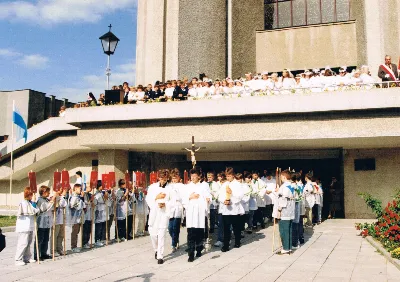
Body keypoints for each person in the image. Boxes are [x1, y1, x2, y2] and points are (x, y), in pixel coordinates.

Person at [183, 167, 210, 262]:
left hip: (200, 212)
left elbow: (208, 195)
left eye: (195, 176)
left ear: (199, 176)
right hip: (191, 212)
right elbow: (183, 199)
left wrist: (208, 199)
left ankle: (199, 249)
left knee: (199, 232)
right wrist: (190, 197)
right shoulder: (187, 186)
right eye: (192, 176)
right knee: (190, 233)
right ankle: (190, 253)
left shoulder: (204, 186)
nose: (193, 178)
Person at [146, 169, 172, 264]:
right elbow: (148, 199)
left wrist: (165, 204)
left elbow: (173, 200)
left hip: (164, 213)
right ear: (158, 178)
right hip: (154, 213)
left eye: (165, 179)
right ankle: (156, 249)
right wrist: (156, 198)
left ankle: (160, 256)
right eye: (161, 179)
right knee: (153, 234)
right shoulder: (152, 187)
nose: (163, 181)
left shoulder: (170, 188)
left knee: (161, 235)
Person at [219, 167, 244, 252]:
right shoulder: (224, 184)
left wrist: (231, 195)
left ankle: (237, 241)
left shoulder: (238, 184)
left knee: (235, 227)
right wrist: (224, 201)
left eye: (229, 176)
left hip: (234, 209)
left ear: (233, 175)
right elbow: (220, 196)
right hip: (226, 209)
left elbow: (240, 196)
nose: (228, 178)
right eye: (227, 176)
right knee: (226, 228)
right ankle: (226, 245)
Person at [15, 187, 40, 266]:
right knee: (23, 243)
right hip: (23, 226)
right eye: (31, 194)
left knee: (28, 243)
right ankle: (18, 259)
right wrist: (34, 206)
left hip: (29, 226)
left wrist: (34, 205)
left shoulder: (29, 202)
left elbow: (38, 210)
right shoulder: (23, 203)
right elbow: (30, 211)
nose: (32, 196)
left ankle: (27, 257)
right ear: (28, 194)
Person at [273, 170, 295, 255]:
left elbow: (283, 198)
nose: (281, 179)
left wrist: (279, 210)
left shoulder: (285, 186)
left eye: (281, 177)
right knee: (288, 230)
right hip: (290, 210)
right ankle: (288, 247)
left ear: (284, 177)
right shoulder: (292, 185)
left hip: (284, 211)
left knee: (283, 230)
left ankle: (285, 248)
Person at [34, 185, 56, 260]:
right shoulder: (40, 200)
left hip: (47, 221)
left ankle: (44, 253)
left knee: (46, 239)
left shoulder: (46, 199)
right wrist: (52, 200)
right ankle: (37, 255)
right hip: (41, 222)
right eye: (47, 192)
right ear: (43, 192)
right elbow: (45, 208)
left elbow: (52, 207)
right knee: (40, 239)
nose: (49, 193)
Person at [168, 169, 185, 252]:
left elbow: (184, 196)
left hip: (178, 207)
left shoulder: (182, 186)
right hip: (171, 208)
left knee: (175, 226)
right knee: (170, 227)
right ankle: (176, 239)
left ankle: (173, 244)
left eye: (176, 178)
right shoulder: (169, 186)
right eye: (173, 178)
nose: (174, 179)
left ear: (179, 177)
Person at [50, 187, 68, 256]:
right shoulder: (53, 197)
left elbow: (65, 204)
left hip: (61, 219)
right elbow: (60, 204)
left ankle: (59, 248)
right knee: (55, 235)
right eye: (60, 189)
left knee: (61, 235)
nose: (62, 190)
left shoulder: (61, 197)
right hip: (55, 219)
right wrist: (62, 196)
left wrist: (62, 196)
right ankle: (53, 250)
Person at [68, 183, 85, 253]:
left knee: (77, 231)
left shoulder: (78, 197)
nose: (81, 190)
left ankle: (75, 245)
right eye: (79, 189)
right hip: (75, 217)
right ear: (75, 189)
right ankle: (73, 246)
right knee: (74, 232)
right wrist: (80, 201)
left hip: (79, 217)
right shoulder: (74, 197)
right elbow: (73, 206)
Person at [94, 180, 108, 247]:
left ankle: (102, 239)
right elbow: (103, 201)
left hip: (103, 212)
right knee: (98, 227)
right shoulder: (97, 194)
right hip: (99, 212)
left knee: (103, 226)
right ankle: (97, 240)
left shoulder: (101, 193)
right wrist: (105, 196)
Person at [82, 184, 95, 249]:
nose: (91, 188)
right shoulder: (83, 194)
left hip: (90, 214)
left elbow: (91, 203)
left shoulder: (89, 194)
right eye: (90, 187)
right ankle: (84, 243)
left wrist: (92, 201)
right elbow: (85, 203)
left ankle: (87, 241)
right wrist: (91, 200)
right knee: (85, 229)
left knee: (89, 229)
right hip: (85, 215)